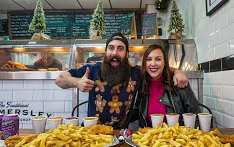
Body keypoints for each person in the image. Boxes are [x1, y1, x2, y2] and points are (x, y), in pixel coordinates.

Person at [56, 33, 188, 129]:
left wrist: (177, 71)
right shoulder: (92, 70)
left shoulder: (136, 73)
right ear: (106, 51)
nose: (115, 52)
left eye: (120, 49)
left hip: (121, 133)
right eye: (111, 48)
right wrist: (76, 82)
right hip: (92, 132)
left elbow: (157, 67)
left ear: (126, 54)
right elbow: (60, 79)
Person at [132, 44, 200, 128]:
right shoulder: (141, 85)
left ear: (165, 63)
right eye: (149, 59)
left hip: (177, 138)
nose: (153, 63)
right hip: (151, 139)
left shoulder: (178, 82)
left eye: (158, 59)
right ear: (144, 63)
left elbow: (196, 116)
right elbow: (133, 113)